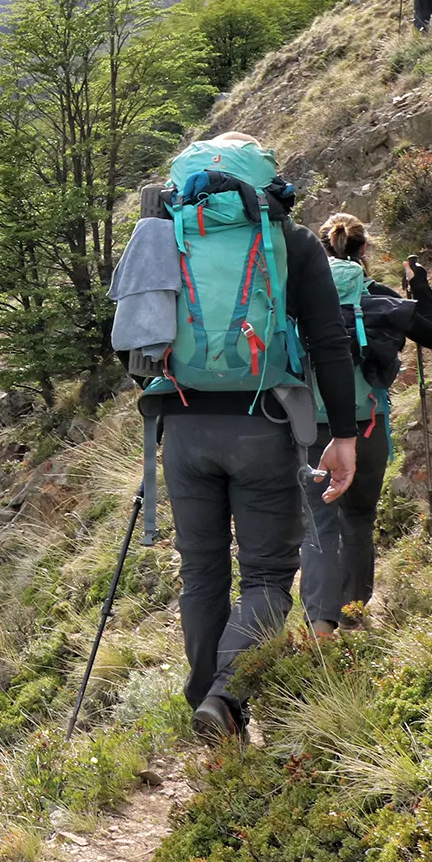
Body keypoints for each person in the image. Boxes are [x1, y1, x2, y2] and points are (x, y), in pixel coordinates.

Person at [150, 133, 364, 742]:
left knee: (201, 573)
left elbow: (132, 333)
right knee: (267, 576)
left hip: (184, 426)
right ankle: (224, 697)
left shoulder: (167, 234)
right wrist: (343, 436)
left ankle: (208, 708)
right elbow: (329, 343)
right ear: (263, 180)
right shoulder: (291, 242)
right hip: (264, 427)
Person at [299, 212, 432, 635]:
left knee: (319, 519)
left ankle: (319, 625)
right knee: (359, 518)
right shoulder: (378, 296)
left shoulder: (302, 297)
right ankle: (354, 618)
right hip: (367, 423)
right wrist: (418, 286)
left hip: (311, 425)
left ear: (321, 251)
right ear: (364, 250)